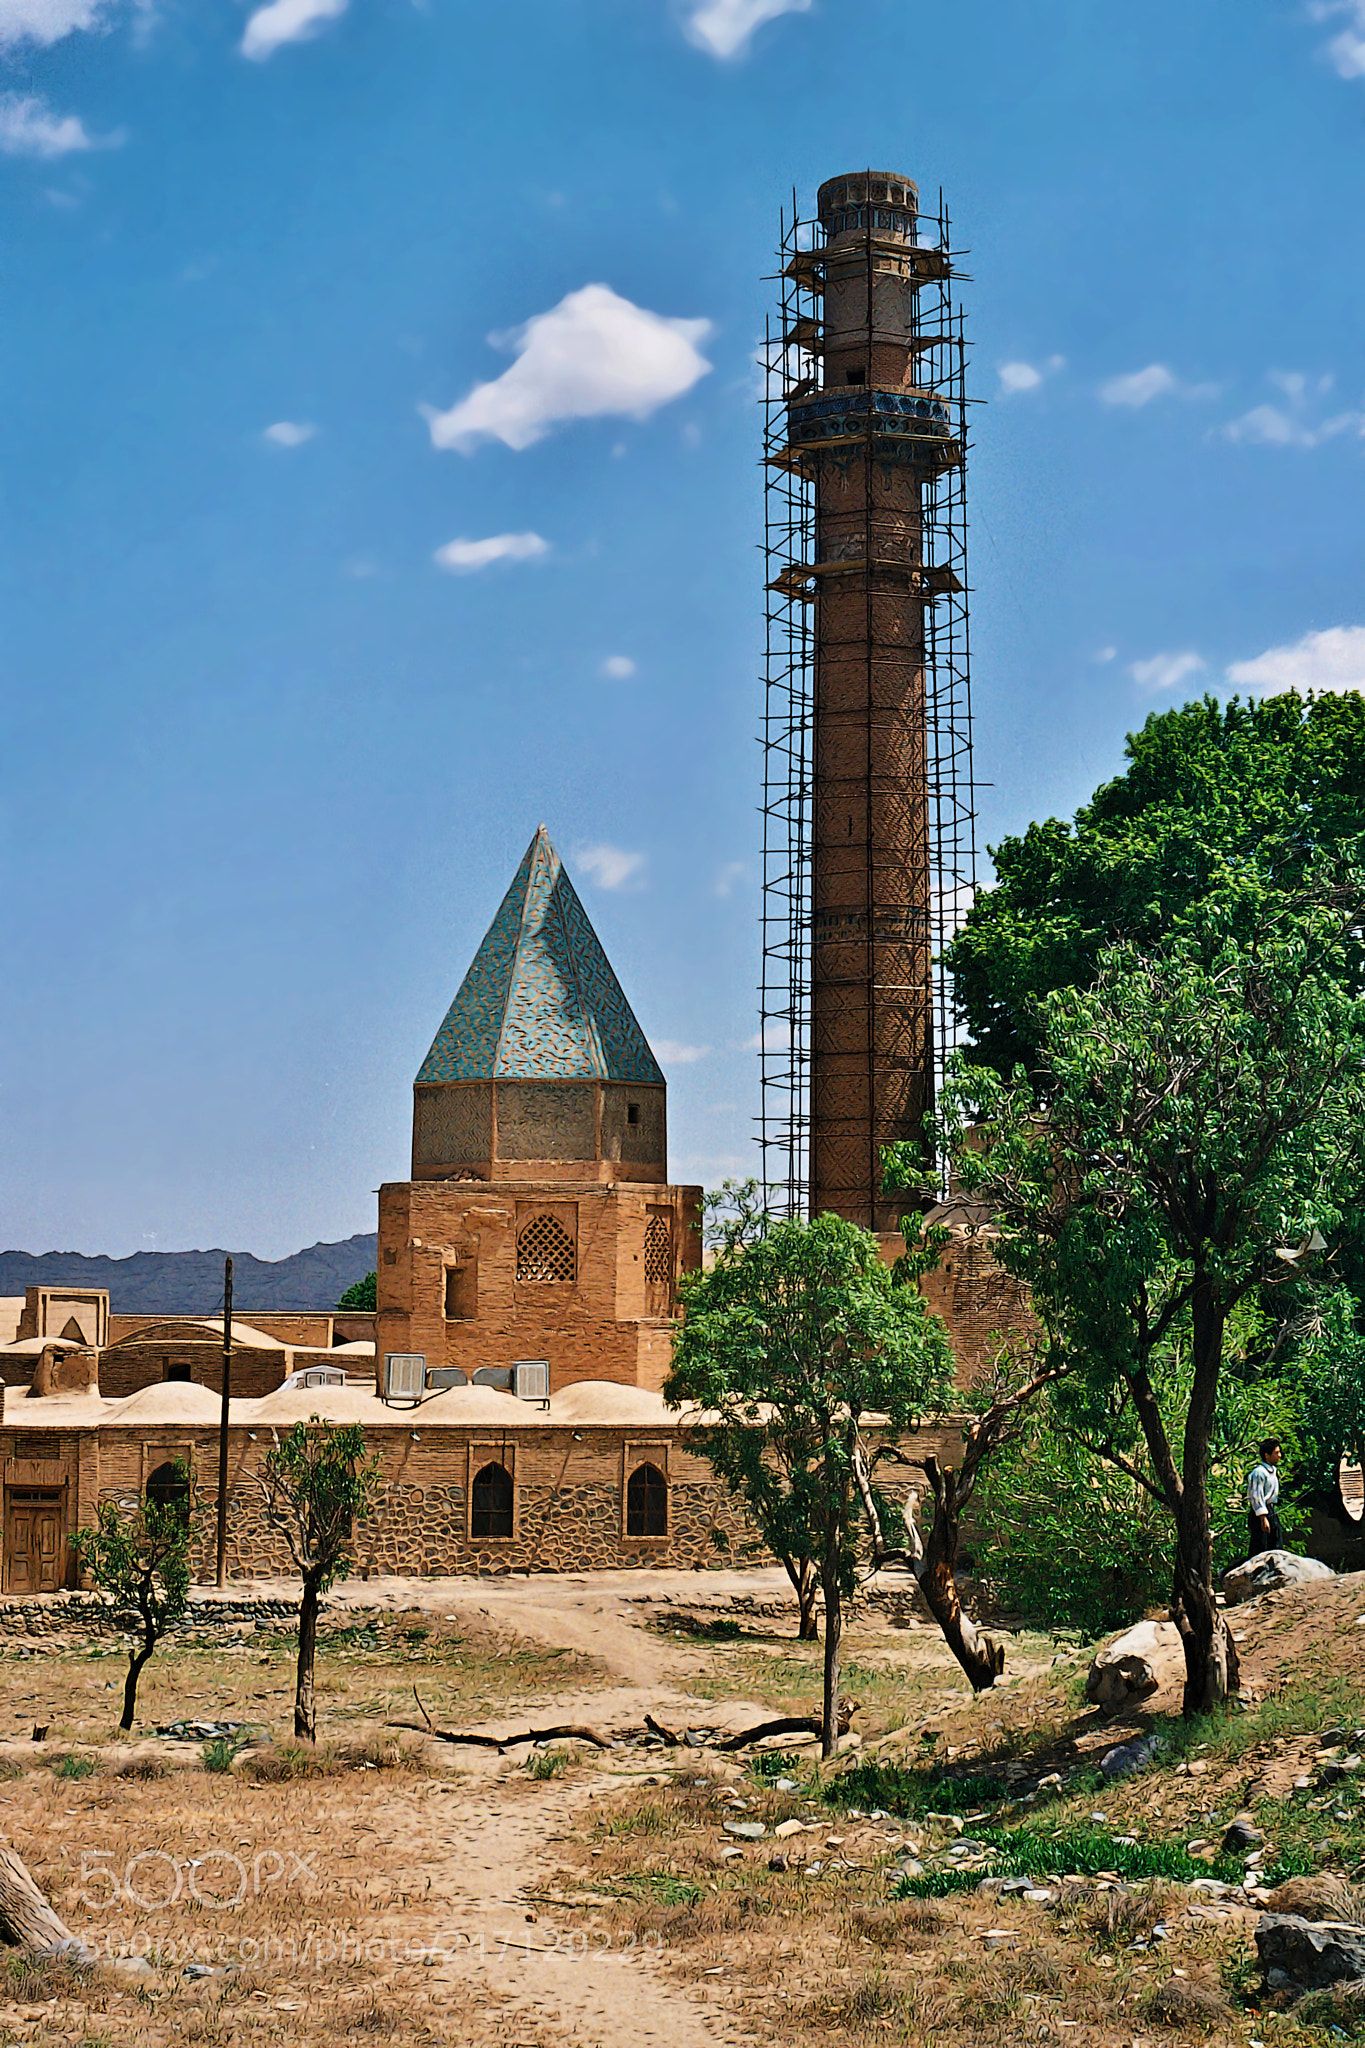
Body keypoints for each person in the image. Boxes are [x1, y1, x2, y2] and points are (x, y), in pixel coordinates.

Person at [1247, 1438, 1284, 1556]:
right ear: (1267, 1455)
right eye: (1276, 1453)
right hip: (1260, 1514)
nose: (1279, 1455)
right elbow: (1256, 1496)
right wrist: (1263, 1518)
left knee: (1276, 1546)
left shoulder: (1272, 1471)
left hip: (1271, 1510)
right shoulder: (1259, 1473)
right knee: (1260, 1549)